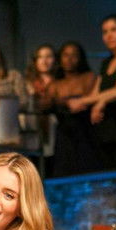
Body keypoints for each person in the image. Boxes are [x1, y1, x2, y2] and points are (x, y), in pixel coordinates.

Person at [67, 16, 116, 169]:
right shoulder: (106, 62)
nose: (109, 35)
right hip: (105, 128)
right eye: (105, 32)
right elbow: (96, 92)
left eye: (114, 30)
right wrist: (89, 102)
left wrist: (87, 101)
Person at [42, 41, 97, 176]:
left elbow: (89, 99)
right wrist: (66, 102)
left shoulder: (88, 77)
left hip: (86, 135)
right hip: (63, 136)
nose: (69, 59)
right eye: (66, 55)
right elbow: (44, 104)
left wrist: (60, 101)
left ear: (80, 58)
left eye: (74, 55)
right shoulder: (55, 84)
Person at [24, 44, 58, 109]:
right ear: (35, 60)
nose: (44, 61)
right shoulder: (28, 82)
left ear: (55, 60)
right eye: (40, 57)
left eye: (49, 57)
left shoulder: (61, 80)